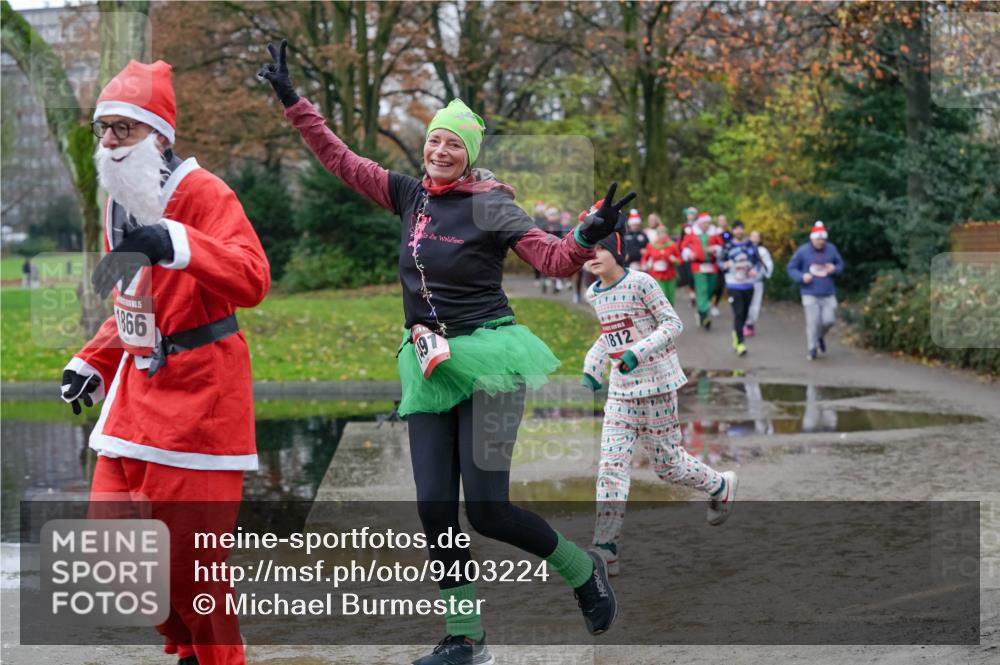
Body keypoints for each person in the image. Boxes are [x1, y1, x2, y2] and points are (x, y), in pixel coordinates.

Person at [259, 40, 631, 665]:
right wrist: (295, 103)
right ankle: (466, 638)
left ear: (469, 155)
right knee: (435, 505)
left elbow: (547, 255)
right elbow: (341, 159)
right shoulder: (409, 194)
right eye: (434, 139)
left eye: (453, 144)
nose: (439, 150)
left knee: (486, 509)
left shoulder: (490, 205)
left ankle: (582, 568)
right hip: (430, 363)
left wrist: (584, 235)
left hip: (489, 361)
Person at [60, 59, 270, 665]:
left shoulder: (205, 193)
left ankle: (213, 659)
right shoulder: (119, 200)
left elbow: (252, 277)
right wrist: (94, 360)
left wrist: (179, 242)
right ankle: (184, 645)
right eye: (103, 130)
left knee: (193, 565)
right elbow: (133, 297)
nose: (108, 142)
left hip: (202, 400)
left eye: (123, 129)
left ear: (159, 134)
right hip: (136, 399)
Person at [580, 212, 737, 575]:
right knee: (611, 466)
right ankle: (606, 548)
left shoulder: (642, 283)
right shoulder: (593, 293)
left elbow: (672, 323)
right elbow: (611, 333)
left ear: (617, 250)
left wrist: (640, 352)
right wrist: (594, 362)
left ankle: (719, 486)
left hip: (658, 386)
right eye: (587, 248)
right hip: (621, 392)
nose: (593, 254)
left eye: (601, 247)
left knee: (668, 467)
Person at [787, 221, 844, 360]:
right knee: (812, 322)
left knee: (828, 320)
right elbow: (791, 268)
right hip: (809, 293)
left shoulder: (831, 249)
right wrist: (801, 276)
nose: (821, 242)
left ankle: (819, 337)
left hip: (828, 292)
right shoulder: (803, 251)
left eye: (823, 239)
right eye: (818, 239)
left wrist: (835, 269)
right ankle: (812, 348)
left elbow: (840, 264)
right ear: (812, 238)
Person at [721, 221, 762, 356]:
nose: (739, 231)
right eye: (736, 229)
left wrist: (755, 270)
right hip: (733, 284)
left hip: (748, 284)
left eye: (741, 229)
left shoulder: (750, 245)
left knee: (744, 313)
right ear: (732, 231)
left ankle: (736, 332)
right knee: (738, 313)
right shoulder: (727, 246)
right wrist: (724, 264)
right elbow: (719, 262)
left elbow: (757, 262)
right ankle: (740, 343)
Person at [679, 213, 723, 329]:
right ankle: (705, 317)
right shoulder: (692, 233)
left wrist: (715, 249)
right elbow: (684, 246)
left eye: (708, 223)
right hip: (698, 266)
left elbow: (721, 245)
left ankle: (701, 310)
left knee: (712, 288)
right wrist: (689, 254)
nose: (706, 225)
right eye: (704, 223)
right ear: (699, 223)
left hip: (712, 266)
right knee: (702, 289)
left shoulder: (714, 233)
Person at [640, 222, 681, 306]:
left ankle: (671, 315)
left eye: (664, 233)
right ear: (657, 235)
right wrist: (646, 265)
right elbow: (644, 258)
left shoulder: (672, 245)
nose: (662, 235)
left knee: (670, 298)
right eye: (660, 233)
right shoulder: (651, 245)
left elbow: (680, 260)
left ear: (667, 234)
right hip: (656, 275)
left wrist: (674, 260)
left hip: (670, 275)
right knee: (662, 297)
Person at [745, 229, 774, 337]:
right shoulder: (744, 248)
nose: (754, 238)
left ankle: (750, 324)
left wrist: (762, 268)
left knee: (755, 304)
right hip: (745, 282)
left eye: (756, 236)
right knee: (745, 304)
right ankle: (744, 323)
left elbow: (768, 265)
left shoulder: (763, 251)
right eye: (752, 236)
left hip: (757, 282)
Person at [710, 214, 731, 318]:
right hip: (712, 263)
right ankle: (707, 302)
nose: (722, 222)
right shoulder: (712, 233)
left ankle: (715, 305)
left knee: (720, 286)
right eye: (720, 220)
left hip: (724, 264)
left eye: (724, 220)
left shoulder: (728, 233)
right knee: (713, 285)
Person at [677, 206, 698, 308]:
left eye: (693, 214)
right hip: (688, 254)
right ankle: (692, 295)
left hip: (698, 254)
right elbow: (681, 240)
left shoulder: (699, 226)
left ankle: (698, 294)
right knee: (690, 276)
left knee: (697, 275)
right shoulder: (685, 227)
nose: (691, 216)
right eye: (689, 214)